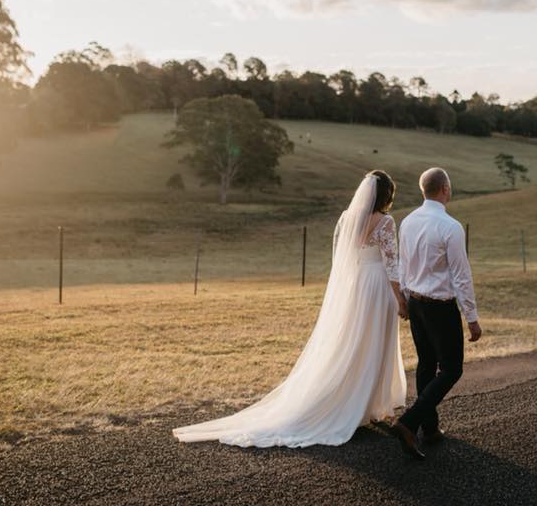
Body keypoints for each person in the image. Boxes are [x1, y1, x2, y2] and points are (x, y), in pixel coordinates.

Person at [172, 170, 407, 447]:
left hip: (356, 288)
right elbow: (392, 264)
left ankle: (357, 403)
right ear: (386, 195)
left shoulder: (348, 218)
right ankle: (367, 406)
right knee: (374, 343)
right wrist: (400, 298)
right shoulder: (386, 222)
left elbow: (343, 260)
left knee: (352, 343)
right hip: (377, 286)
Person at [391, 167, 481, 460]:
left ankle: (429, 430)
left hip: (416, 303)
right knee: (452, 368)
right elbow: (461, 276)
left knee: (427, 364)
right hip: (440, 307)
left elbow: (403, 264)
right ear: (444, 189)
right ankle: (409, 422)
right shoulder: (450, 226)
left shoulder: (407, 221)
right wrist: (472, 317)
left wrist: (404, 298)